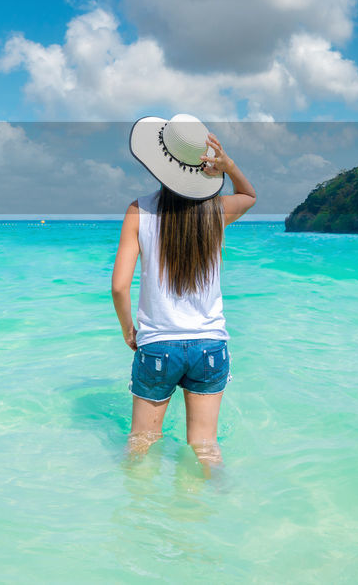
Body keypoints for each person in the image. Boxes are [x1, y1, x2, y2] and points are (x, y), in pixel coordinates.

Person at [111, 113, 257, 474]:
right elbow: (249, 196)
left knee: (141, 443)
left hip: (157, 344)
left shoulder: (139, 211)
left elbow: (118, 286)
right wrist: (229, 165)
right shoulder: (215, 212)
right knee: (205, 445)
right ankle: (216, 506)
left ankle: (136, 516)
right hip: (210, 344)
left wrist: (129, 328)